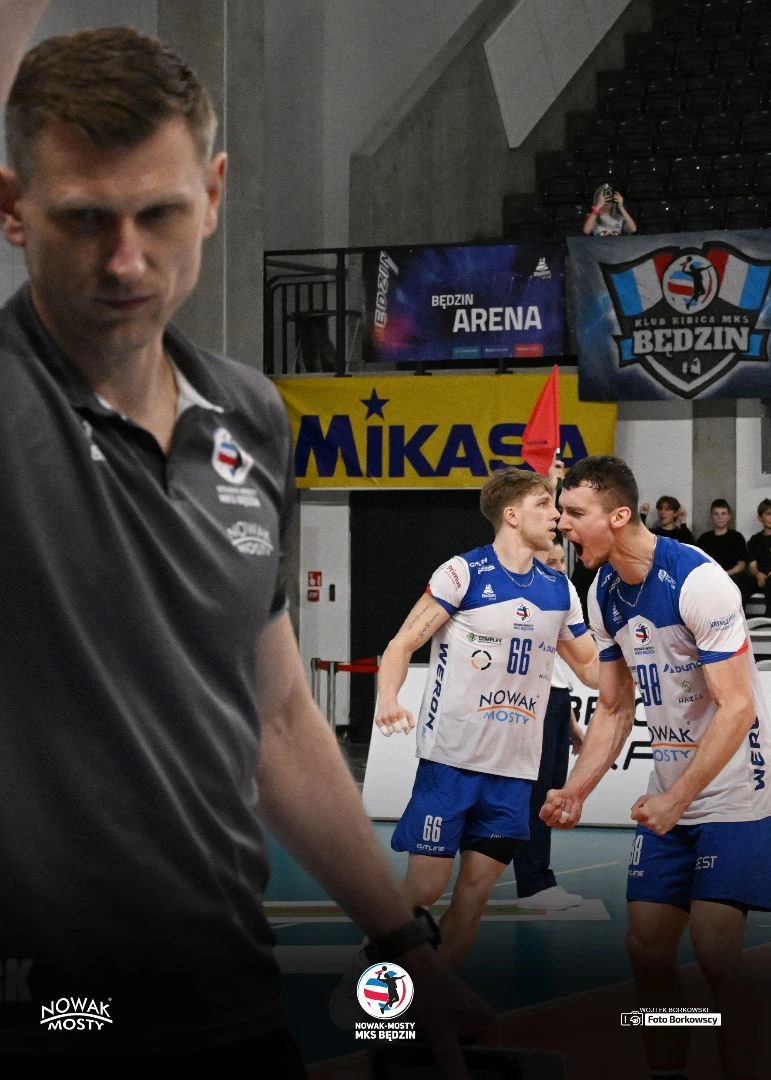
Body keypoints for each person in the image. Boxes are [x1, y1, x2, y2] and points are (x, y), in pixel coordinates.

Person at [0, 26, 497, 1072]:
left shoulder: (250, 416)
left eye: (160, 214)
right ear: (12, 208)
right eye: (84, 218)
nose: (126, 260)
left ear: (215, 194)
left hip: (229, 1002)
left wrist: (402, 943)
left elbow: (276, 716)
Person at [331, 467, 598, 1026]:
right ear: (511, 514)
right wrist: (388, 698)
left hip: (515, 772)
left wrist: (655, 662)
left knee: (474, 899)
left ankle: (425, 1008)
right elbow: (402, 643)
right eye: (545, 504)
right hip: (451, 762)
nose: (556, 515)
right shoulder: (463, 573)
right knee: (425, 889)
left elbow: (593, 670)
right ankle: (370, 973)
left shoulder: (560, 590)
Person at [543, 455, 770, 1080]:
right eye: (561, 512)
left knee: (716, 951)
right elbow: (615, 709)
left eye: (574, 512)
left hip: (733, 791)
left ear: (619, 516)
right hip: (669, 792)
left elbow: (738, 708)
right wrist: (576, 788)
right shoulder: (603, 592)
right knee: (646, 948)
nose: (562, 524)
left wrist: (679, 799)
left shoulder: (698, 582)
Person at [512, 536, 597, 911]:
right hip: (535, 703)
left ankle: (542, 878)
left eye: (563, 561)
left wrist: (572, 721)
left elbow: (559, 667)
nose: (562, 568)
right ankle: (531, 885)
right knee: (534, 795)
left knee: (551, 794)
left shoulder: (561, 600)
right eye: (554, 562)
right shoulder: (525, 602)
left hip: (559, 701)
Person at [696, 498, 756, 610]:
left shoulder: (737, 537)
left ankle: (735, 617)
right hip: (710, 577)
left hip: (732, 576)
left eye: (723, 513)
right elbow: (697, 563)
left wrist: (725, 574)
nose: (720, 517)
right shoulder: (704, 539)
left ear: (729, 516)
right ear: (712, 516)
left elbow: (742, 565)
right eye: (716, 514)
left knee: (740, 583)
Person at [747, 497, 771, 618]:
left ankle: (768, 619)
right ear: (760, 518)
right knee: (740, 583)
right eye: (768, 514)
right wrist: (758, 574)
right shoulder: (755, 540)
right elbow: (752, 565)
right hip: (759, 578)